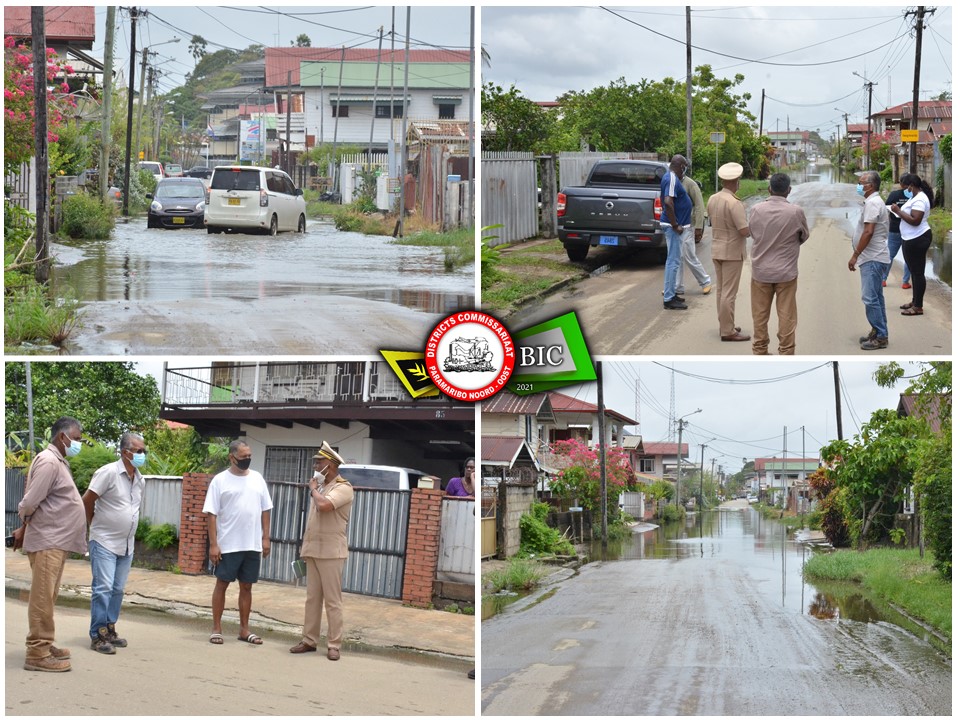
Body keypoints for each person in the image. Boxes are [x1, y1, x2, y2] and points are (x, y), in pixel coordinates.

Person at [15, 416, 88, 672]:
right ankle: (37, 653)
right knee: (42, 599)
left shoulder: (58, 461)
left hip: (55, 540)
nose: (79, 443)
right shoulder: (48, 462)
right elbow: (30, 501)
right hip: (48, 540)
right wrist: (25, 521)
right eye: (77, 439)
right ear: (62, 437)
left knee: (48, 596)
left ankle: (44, 643)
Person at [82, 432, 147, 654]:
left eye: (144, 451)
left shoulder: (140, 479)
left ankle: (110, 629)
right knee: (103, 588)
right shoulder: (108, 472)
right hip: (104, 541)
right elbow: (87, 501)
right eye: (139, 451)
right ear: (124, 452)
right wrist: (93, 527)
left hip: (126, 545)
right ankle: (97, 634)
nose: (142, 455)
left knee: (117, 589)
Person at [203, 439, 273, 645]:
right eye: (243, 457)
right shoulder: (220, 481)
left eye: (249, 456)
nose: (247, 460)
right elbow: (211, 514)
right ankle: (216, 628)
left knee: (247, 587)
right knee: (222, 584)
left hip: (252, 544)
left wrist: (266, 537)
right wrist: (213, 544)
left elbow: (266, 509)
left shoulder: (258, 479)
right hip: (228, 544)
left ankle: (244, 630)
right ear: (231, 457)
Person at [290, 441, 354, 661]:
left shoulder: (343, 487)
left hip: (332, 552)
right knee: (312, 598)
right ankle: (309, 640)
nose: (316, 465)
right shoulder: (322, 486)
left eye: (320, 461)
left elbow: (324, 506)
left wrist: (314, 489)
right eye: (316, 461)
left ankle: (334, 644)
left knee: (333, 601)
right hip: (314, 549)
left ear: (332, 464)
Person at [747, 173, 810, 355]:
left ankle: (759, 351)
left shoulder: (756, 210)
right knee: (787, 316)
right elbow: (803, 236)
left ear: (769, 189)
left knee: (759, 316)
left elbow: (752, 232)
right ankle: (786, 352)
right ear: (788, 191)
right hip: (786, 273)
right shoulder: (796, 211)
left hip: (761, 273)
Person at [706, 162, 751, 341]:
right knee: (729, 293)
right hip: (732, 252)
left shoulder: (712, 198)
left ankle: (725, 325)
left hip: (717, 249)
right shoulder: (734, 203)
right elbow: (744, 230)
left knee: (721, 291)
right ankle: (728, 332)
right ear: (735, 181)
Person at [849, 170, 891, 350]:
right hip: (874, 257)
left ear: (870, 186)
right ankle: (879, 331)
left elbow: (868, 232)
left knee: (869, 298)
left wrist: (855, 254)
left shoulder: (873, 203)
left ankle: (880, 336)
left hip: (873, 258)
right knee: (876, 298)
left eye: (861, 183)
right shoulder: (873, 201)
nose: (859, 186)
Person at [888, 173, 934, 317]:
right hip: (911, 238)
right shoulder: (916, 197)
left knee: (918, 273)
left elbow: (915, 220)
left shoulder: (920, 199)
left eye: (904, 187)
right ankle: (915, 301)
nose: (903, 189)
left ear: (911, 186)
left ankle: (918, 307)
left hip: (918, 238)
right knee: (914, 272)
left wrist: (898, 211)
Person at [659, 154, 691, 310]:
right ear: (681, 166)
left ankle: (671, 293)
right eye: (685, 167)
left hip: (673, 226)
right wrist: (675, 224)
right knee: (673, 262)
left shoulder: (670, 177)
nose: (685, 170)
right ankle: (669, 298)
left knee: (673, 261)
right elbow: (668, 202)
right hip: (672, 227)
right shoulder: (671, 178)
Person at [676, 169, 713, 297]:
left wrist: (698, 226)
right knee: (677, 257)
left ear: (683, 167)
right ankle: (677, 287)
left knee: (689, 255)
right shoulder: (671, 182)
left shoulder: (690, 184)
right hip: (675, 225)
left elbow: (699, 205)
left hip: (688, 224)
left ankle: (705, 282)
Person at [882, 173, 912, 289]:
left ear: (900, 183)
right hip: (910, 231)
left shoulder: (894, 195)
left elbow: (886, 209)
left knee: (889, 255)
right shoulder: (915, 196)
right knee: (908, 257)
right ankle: (905, 282)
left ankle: (883, 279)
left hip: (894, 229)